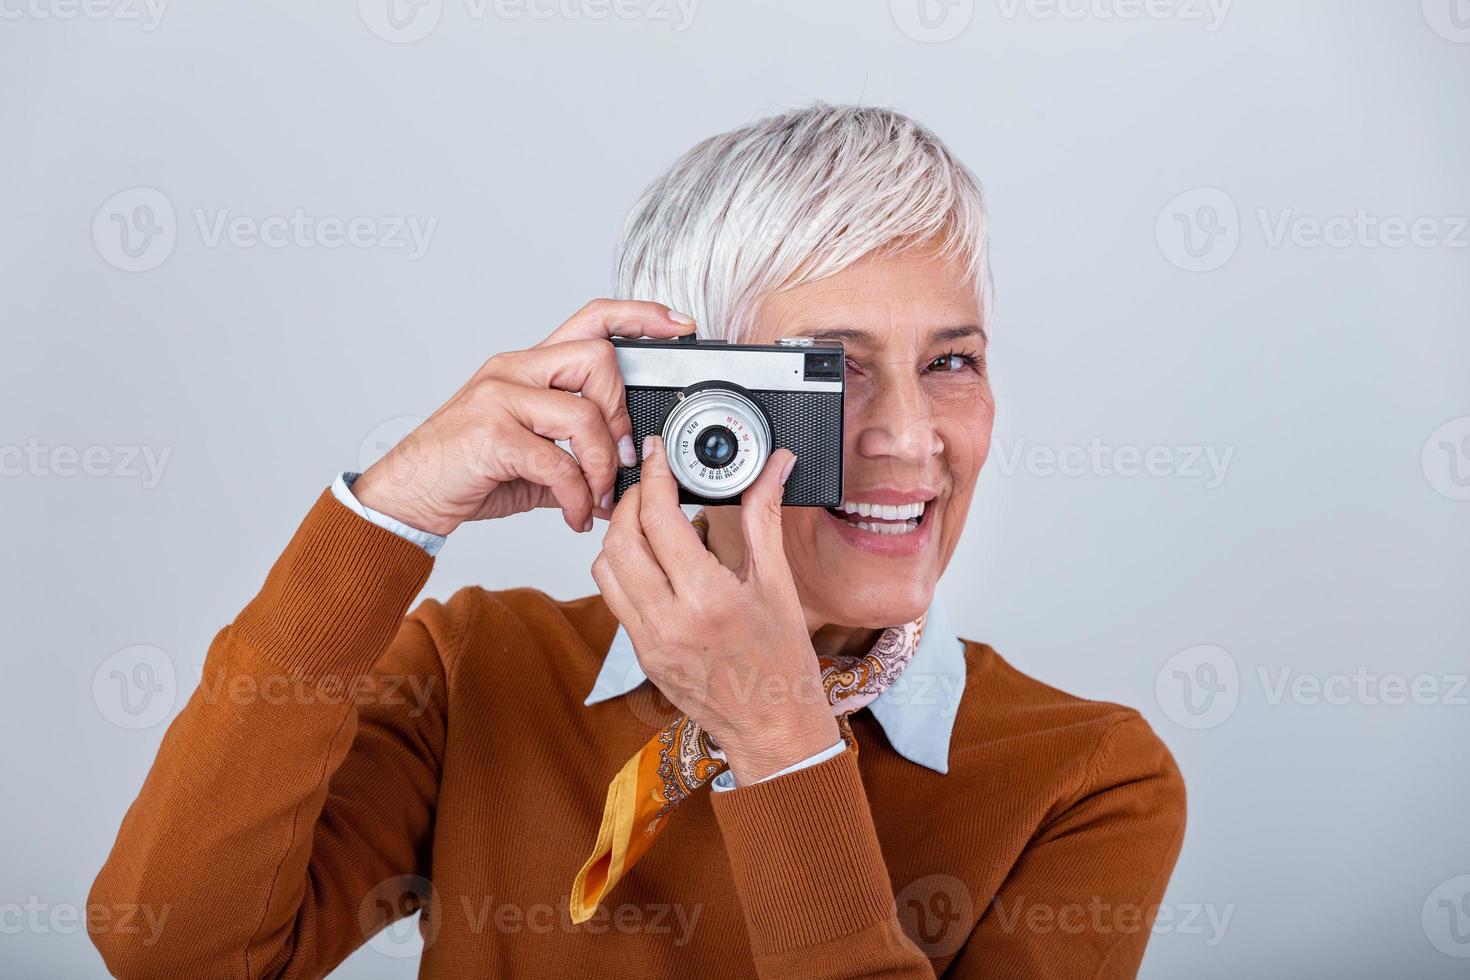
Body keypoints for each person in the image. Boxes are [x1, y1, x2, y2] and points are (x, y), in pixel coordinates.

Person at [90, 103, 1185, 979]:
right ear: (680, 400)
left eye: (953, 361)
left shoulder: (1086, 776)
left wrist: (779, 740)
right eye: (831, 369)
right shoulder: (481, 671)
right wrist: (389, 511)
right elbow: (174, 948)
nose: (908, 436)